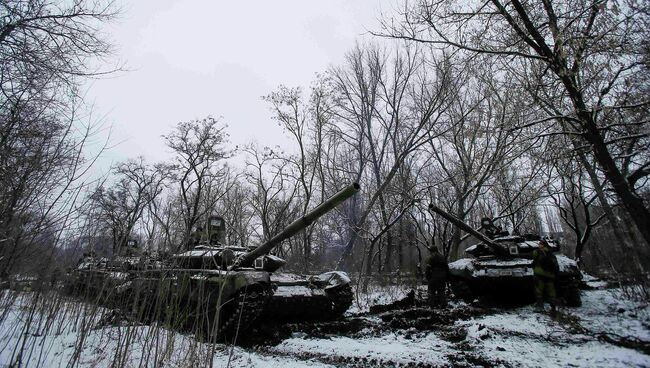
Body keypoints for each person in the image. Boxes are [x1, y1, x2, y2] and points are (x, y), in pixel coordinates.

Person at [532, 239, 559, 316]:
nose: (539, 245)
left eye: (540, 244)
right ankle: (553, 307)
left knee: (539, 291)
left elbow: (533, 256)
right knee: (551, 291)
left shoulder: (538, 252)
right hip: (550, 275)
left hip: (540, 275)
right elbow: (555, 265)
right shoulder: (551, 253)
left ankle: (540, 307)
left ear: (543, 245)